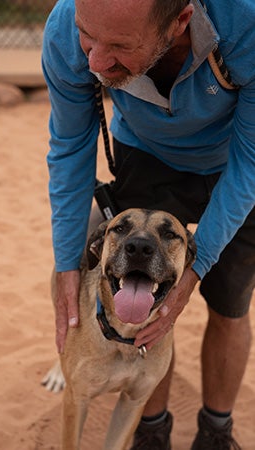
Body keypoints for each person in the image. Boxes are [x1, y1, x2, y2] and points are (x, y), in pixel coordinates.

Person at [42, 0, 255, 448]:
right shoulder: (65, 29)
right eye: (89, 35)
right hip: (147, 153)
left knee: (230, 302)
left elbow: (249, 163)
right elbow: (69, 147)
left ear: (181, 21)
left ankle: (216, 431)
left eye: (119, 45)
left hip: (234, 162)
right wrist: (67, 263)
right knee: (140, 280)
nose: (94, 62)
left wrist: (197, 268)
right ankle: (152, 430)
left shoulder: (246, 23)